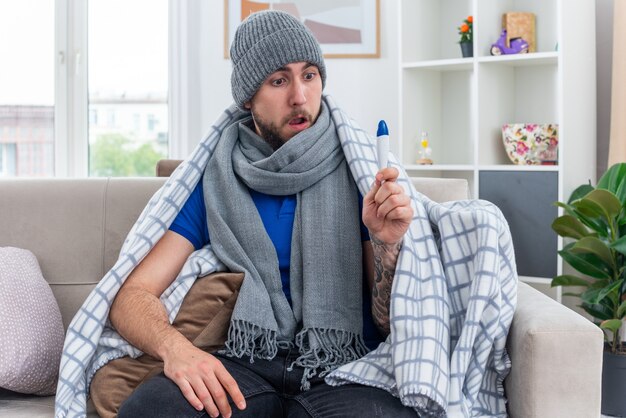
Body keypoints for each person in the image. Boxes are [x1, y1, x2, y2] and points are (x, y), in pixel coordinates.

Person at [111, 10, 415, 418]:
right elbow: (132, 296)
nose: (300, 96)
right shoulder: (216, 179)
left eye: (309, 75)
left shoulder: (359, 174)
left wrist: (387, 244)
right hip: (246, 365)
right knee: (150, 410)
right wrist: (176, 350)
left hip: (347, 368)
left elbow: (389, 322)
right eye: (278, 80)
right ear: (247, 98)